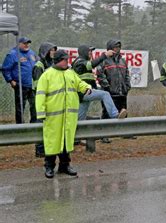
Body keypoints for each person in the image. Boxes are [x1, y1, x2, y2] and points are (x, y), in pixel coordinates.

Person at [36, 49, 92, 178]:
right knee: (52, 142)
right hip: (53, 117)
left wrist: (87, 88)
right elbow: (40, 95)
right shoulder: (47, 75)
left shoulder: (70, 73)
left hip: (69, 117)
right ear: (57, 61)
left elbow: (79, 84)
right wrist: (41, 113)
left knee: (67, 142)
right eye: (65, 59)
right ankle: (49, 167)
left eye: (67, 59)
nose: (67, 61)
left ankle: (65, 166)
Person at [72, 45, 127, 121]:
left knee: (79, 120)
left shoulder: (82, 62)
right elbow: (91, 65)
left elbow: (88, 80)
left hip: (83, 94)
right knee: (105, 94)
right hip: (83, 92)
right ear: (84, 52)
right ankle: (115, 115)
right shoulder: (79, 62)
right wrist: (105, 55)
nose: (91, 53)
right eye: (89, 51)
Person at [1, 37, 37, 123]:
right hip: (20, 85)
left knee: (34, 105)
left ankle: (34, 124)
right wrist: (10, 80)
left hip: (31, 85)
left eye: (28, 43)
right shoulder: (13, 54)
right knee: (20, 107)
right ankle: (20, 125)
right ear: (19, 44)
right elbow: (6, 68)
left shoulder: (32, 53)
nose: (27, 45)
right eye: (24, 43)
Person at [32, 42, 57, 157]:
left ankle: (46, 148)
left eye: (54, 50)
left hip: (50, 99)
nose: (53, 52)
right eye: (51, 50)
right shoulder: (39, 65)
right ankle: (40, 149)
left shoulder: (51, 64)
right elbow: (38, 86)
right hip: (40, 100)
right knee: (40, 124)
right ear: (45, 52)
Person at [96, 40, 131, 119]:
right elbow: (100, 75)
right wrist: (108, 88)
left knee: (123, 117)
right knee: (107, 116)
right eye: (115, 47)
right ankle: (104, 131)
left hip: (122, 94)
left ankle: (122, 131)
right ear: (110, 48)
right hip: (109, 95)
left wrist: (127, 87)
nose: (117, 48)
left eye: (119, 47)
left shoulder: (123, 61)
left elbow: (127, 75)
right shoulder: (104, 61)